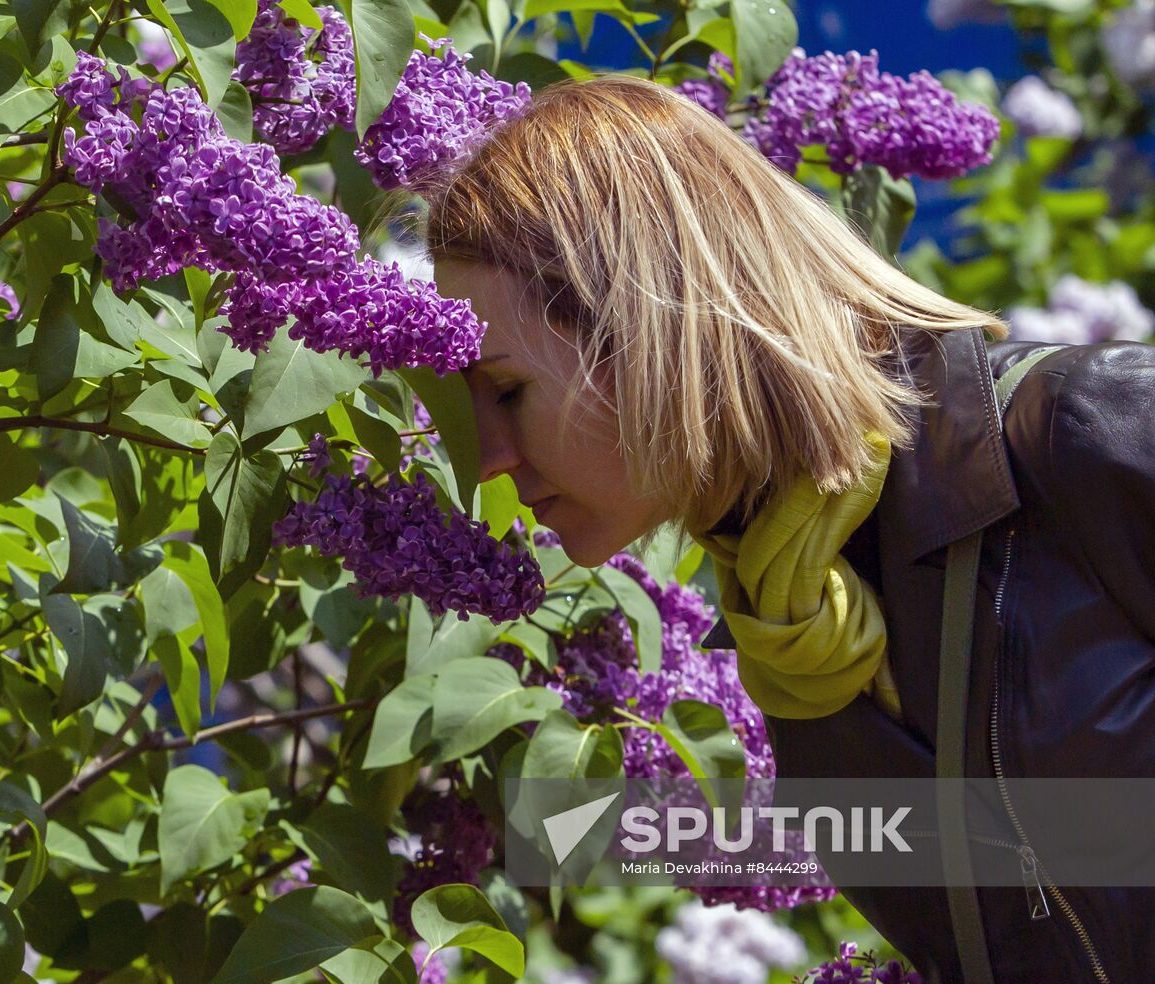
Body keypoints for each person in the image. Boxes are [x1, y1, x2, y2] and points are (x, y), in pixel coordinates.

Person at [418, 74, 1155, 983]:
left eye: (508, 390)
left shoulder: (1089, 431)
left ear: (647, 322)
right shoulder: (788, 644)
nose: (484, 456)